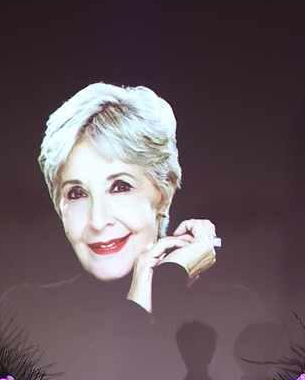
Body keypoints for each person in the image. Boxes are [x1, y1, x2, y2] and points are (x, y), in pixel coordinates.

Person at [37, 81, 218, 315]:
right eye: (77, 193)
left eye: (120, 187)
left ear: (165, 194)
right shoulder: (26, 310)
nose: (98, 221)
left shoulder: (232, 307)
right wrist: (157, 287)